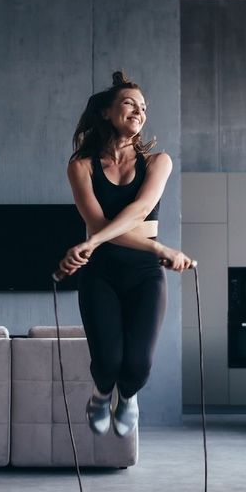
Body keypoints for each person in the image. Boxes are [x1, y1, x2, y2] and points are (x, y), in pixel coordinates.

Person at [58, 71, 192, 438]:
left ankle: (128, 397)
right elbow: (98, 222)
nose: (139, 111)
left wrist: (92, 241)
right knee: (107, 360)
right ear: (105, 112)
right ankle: (101, 395)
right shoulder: (81, 166)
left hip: (146, 273)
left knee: (138, 364)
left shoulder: (158, 162)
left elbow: (141, 208)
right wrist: (158, 246)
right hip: (101, 271)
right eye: (130, 102)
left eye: (144, 107)